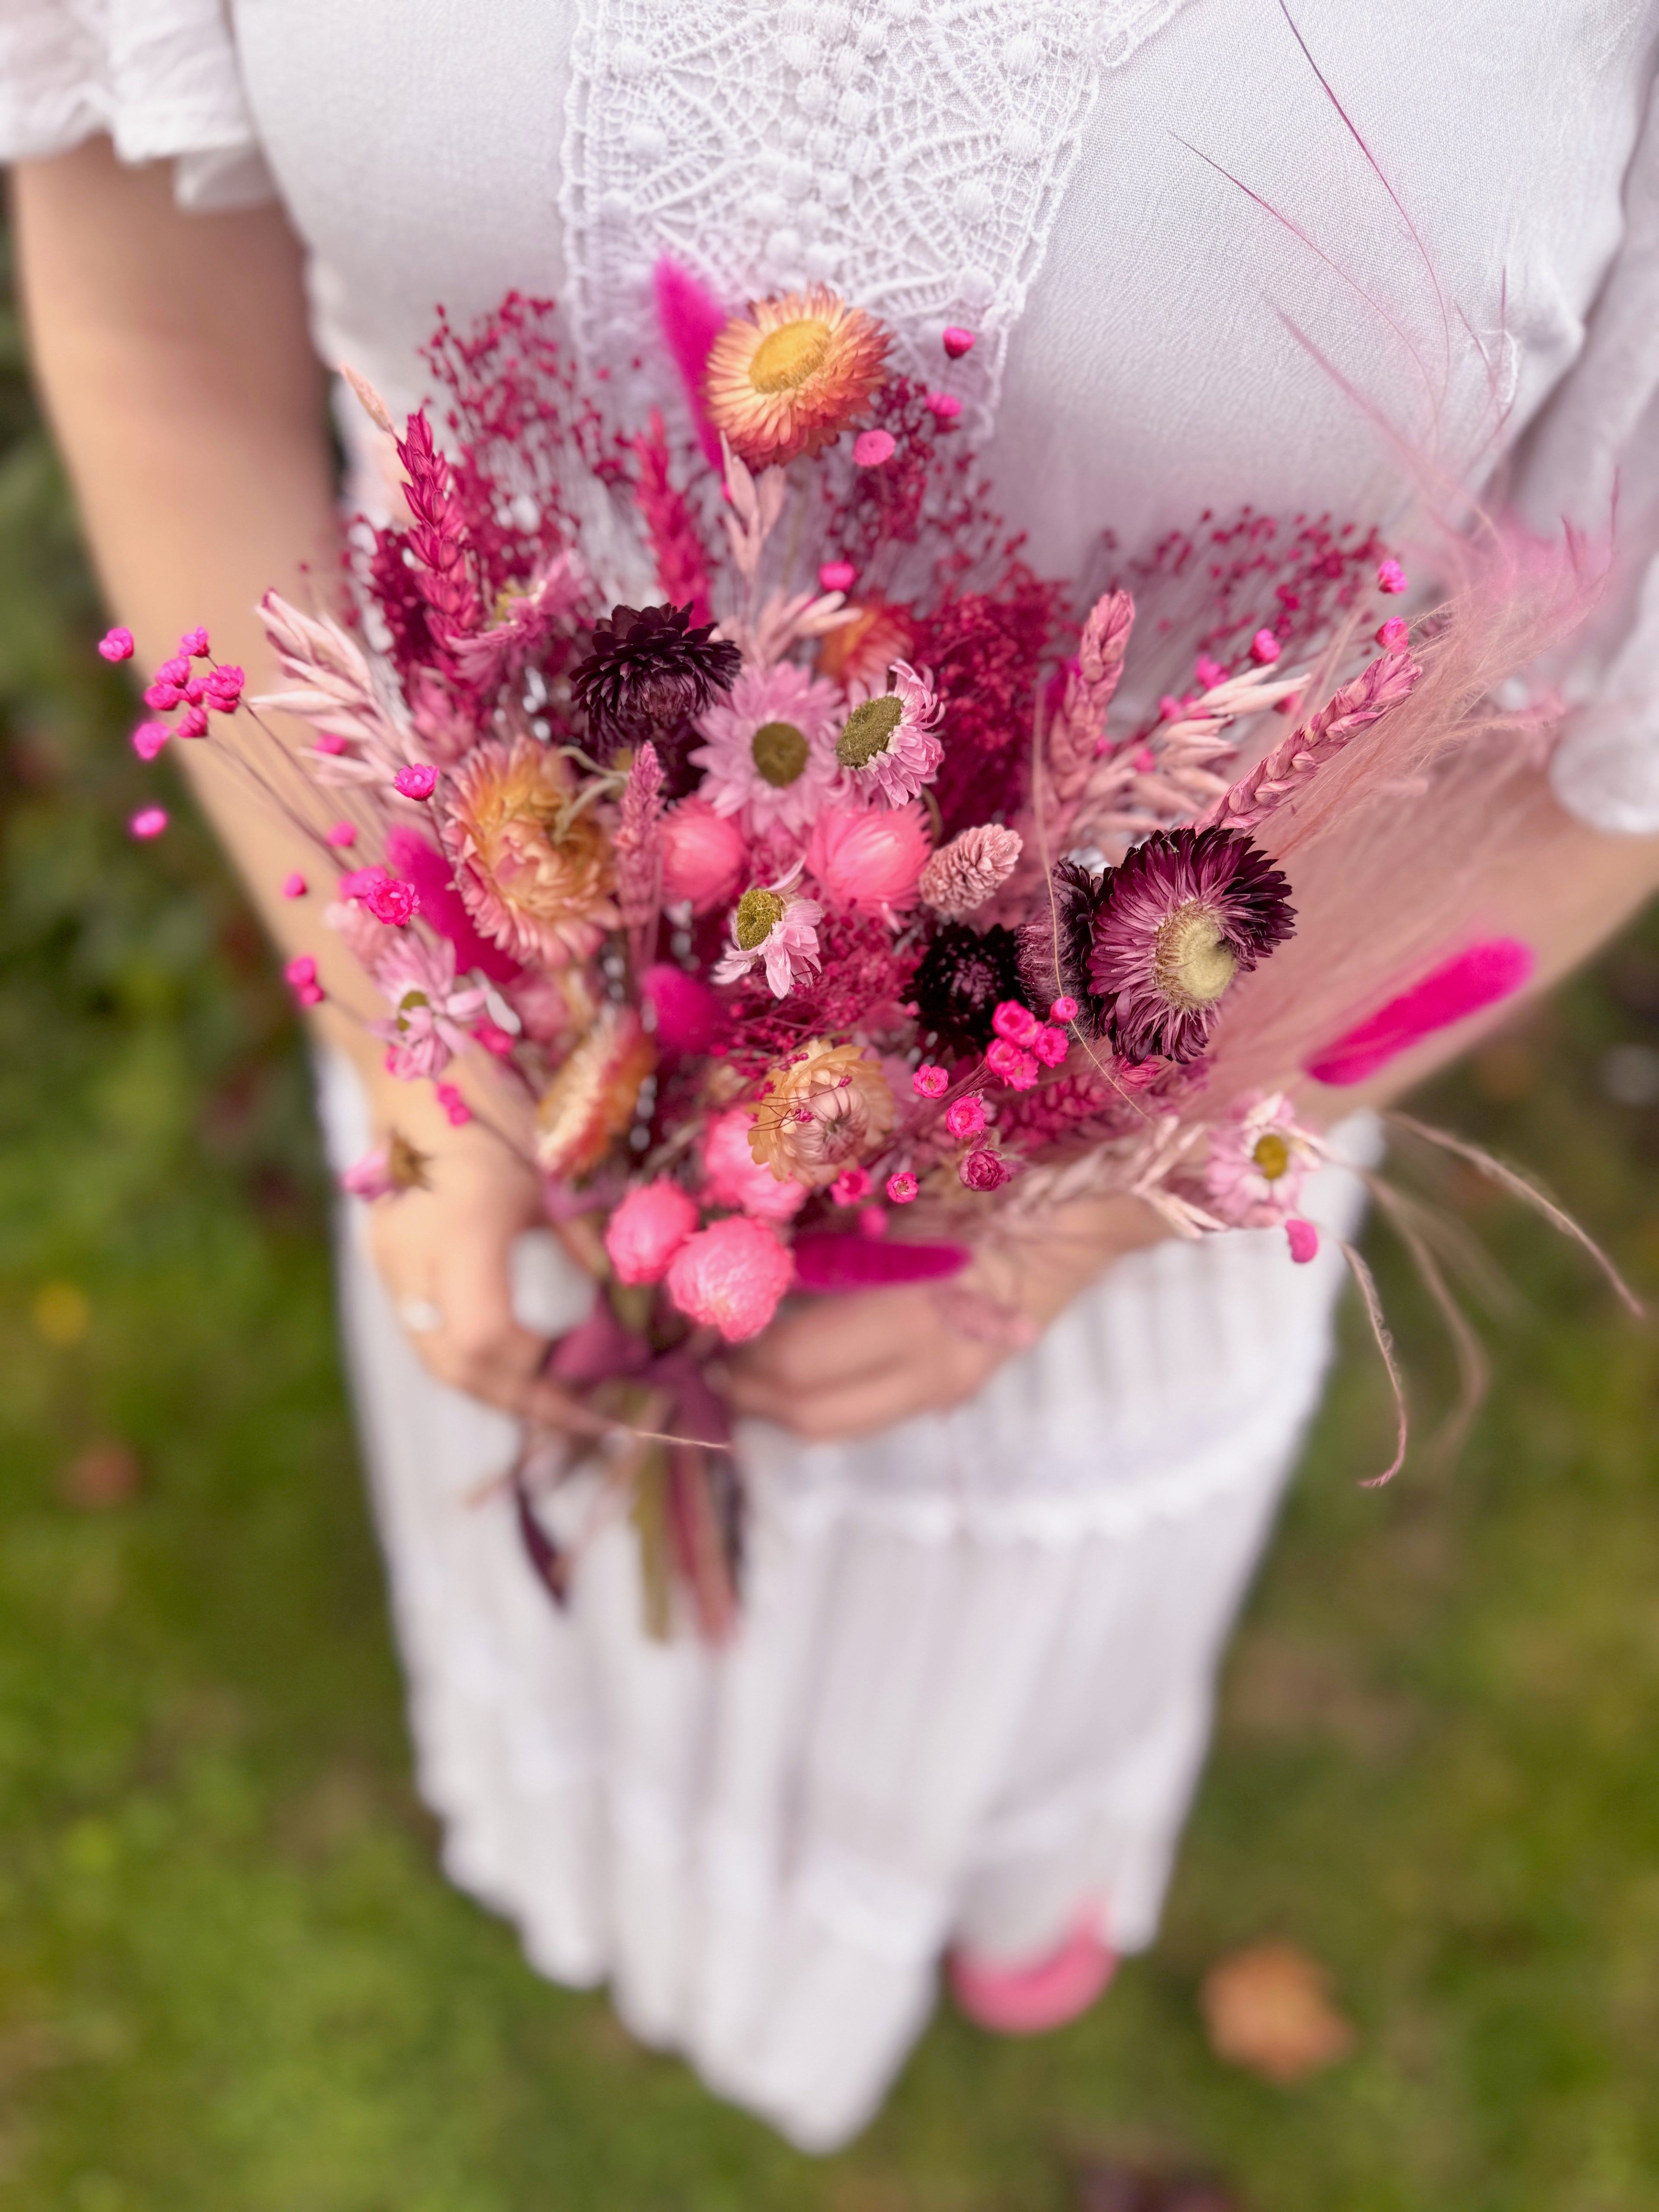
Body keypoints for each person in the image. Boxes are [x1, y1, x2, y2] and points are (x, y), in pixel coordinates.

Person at [6, 0, 1659, 2152]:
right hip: (506, 1082)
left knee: (1020, 1655)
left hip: (1117, 1159)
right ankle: (621, 1870)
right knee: (578, 1576)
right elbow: (153, 315)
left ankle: (1016, 1862)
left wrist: (1072, 1214)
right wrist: (399, 1023)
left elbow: (1618, 748)